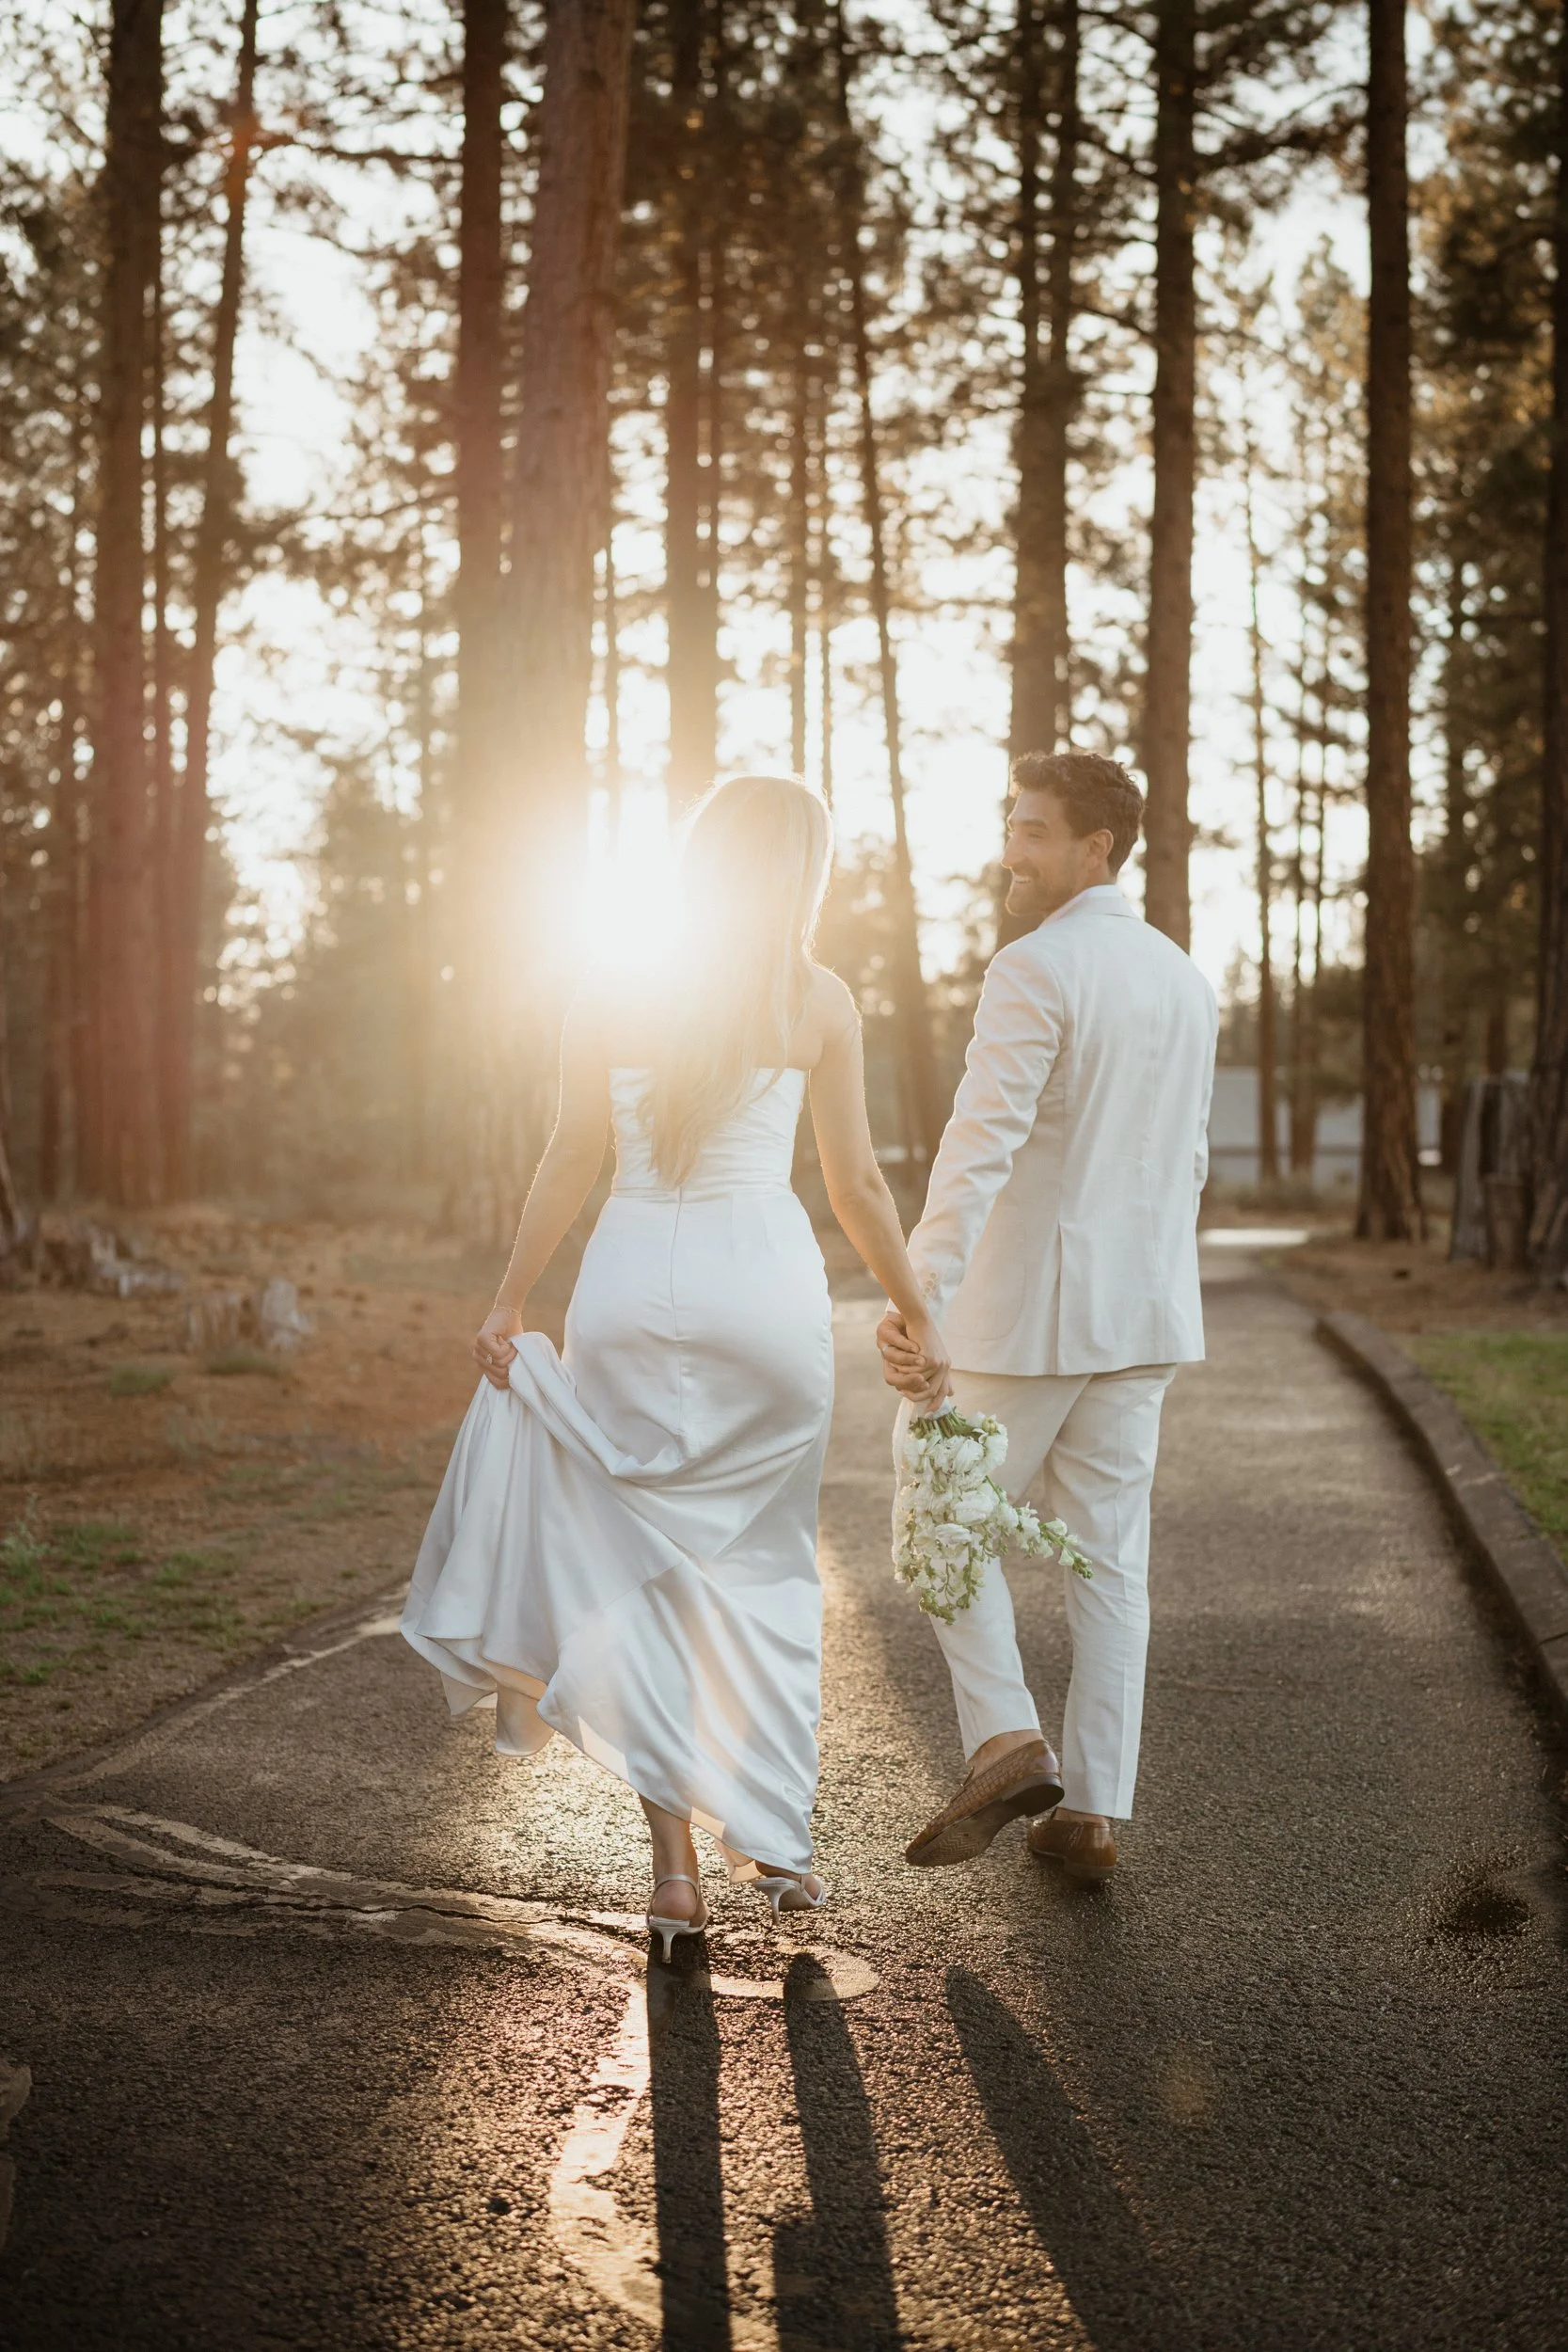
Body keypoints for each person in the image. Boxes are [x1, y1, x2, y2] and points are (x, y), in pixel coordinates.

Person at [403, 773, 950, 1958]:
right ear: (800, 869)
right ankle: (781, 1842)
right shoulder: (814, 999)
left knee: (640, 1572)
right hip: (762, 1291)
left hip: (630, 1289)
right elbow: (854, 1187)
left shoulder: (608, 981)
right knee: (760, 1568)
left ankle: (673, 1872)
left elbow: (568, 1157)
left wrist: (507, 1300)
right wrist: (918, 1311)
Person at [879, 751, 1217, 1884]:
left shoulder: (1035, 969)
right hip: (1143, 1314)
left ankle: (1005, 1738)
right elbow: (1191, 1161)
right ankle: (1089, 1814)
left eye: (1031, 832)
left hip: (1029, 1317)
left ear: (1094, 849)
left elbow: (978, 1146)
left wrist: (916, 1294)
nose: (1010, 851)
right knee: (1109, 1562)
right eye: (1008, 826)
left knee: (936, 1508)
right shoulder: (1181, 976)